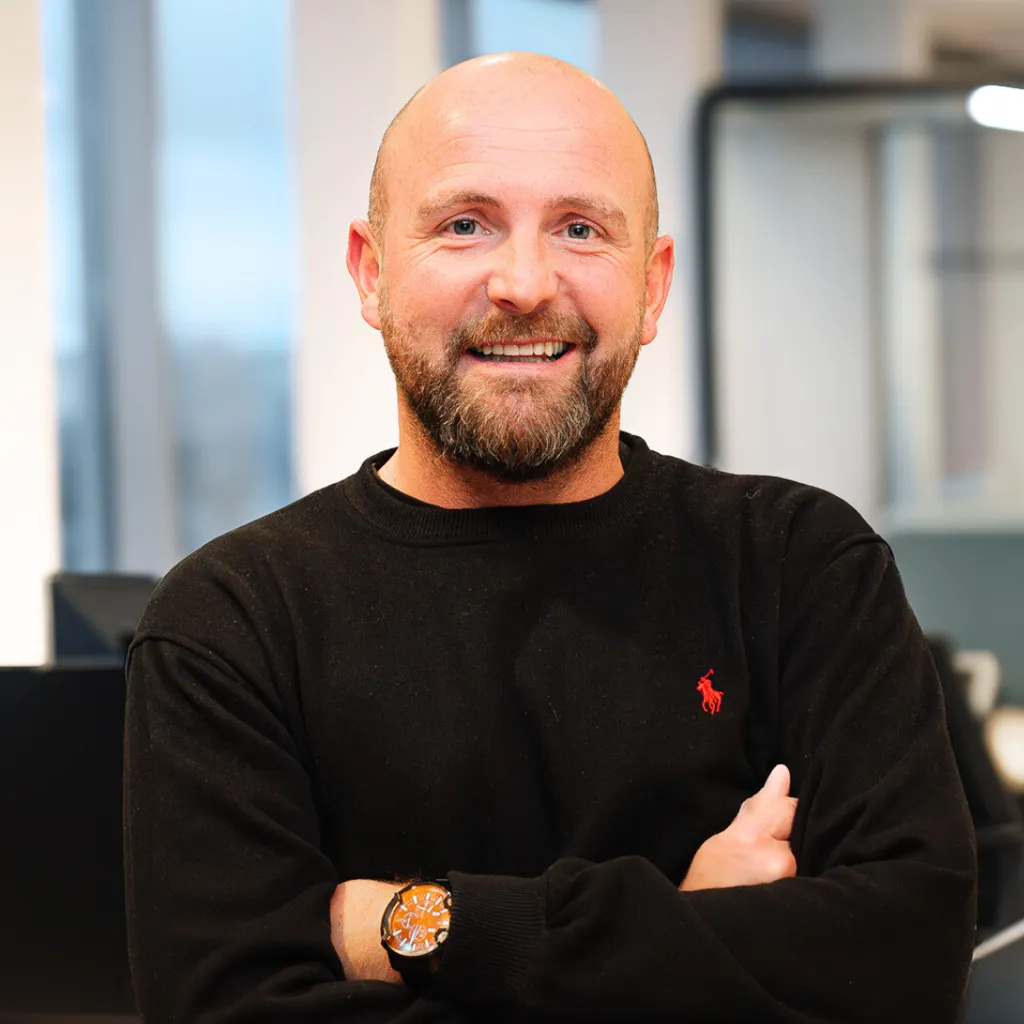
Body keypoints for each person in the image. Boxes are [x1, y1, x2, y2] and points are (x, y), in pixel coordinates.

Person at [123, 52, 976, 1022]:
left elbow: (905, 963)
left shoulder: (798, 566)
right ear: (370, 273)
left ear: (652, 286)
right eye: (463, 224)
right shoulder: (232, 623)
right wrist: (685, 933)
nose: (524, 282)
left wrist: (429, 928)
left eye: (579, 228)